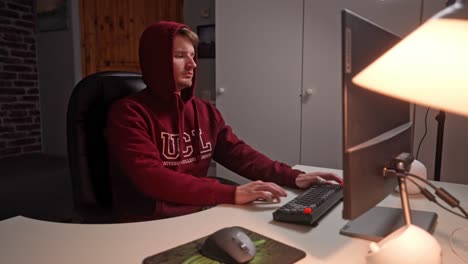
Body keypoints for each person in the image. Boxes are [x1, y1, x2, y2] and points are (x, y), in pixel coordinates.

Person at [106, 21, 342, 222]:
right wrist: (231, 193)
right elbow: (153, 179)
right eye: (179, 56)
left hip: (196, 209)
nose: (192, 65)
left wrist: (293, 176)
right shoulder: (128, 113)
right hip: (150, 222)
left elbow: (240, 155)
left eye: (192, 56)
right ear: (157, 62)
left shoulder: (205, 111)